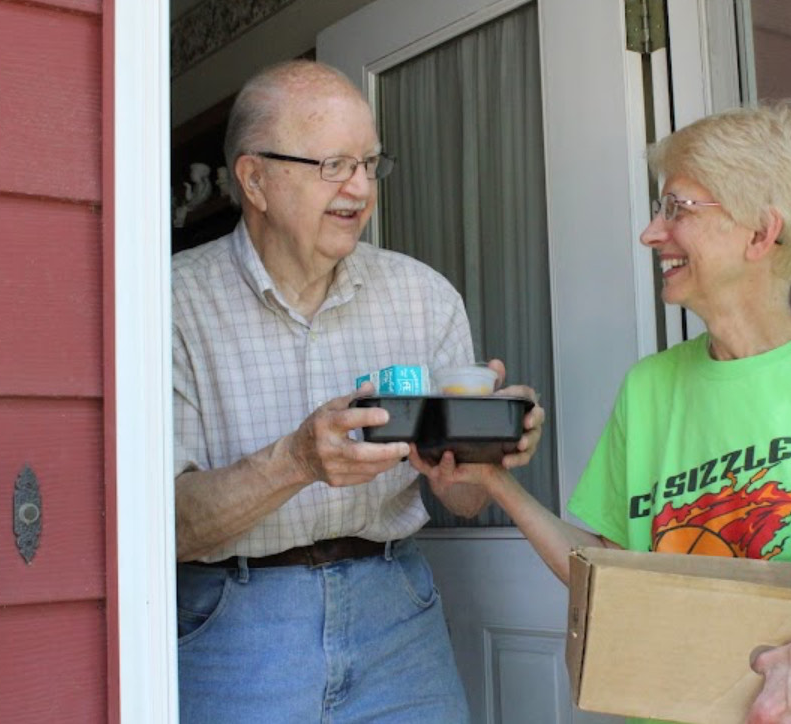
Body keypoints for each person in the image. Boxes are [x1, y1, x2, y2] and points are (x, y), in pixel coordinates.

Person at [413, 99, 791, 723]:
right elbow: (611, 575)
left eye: (677, 208)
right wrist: (495, 483)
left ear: (761, 233)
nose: (652, 233)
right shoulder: (649, 389)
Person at [172, 59, 543, 724]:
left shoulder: (421, 294)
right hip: (231, 622)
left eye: (371, 163)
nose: (360, 188)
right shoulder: (170, 303)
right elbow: (162, 524)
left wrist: (484, 447)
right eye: (334, 164)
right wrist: (294, 462)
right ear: (254, 179)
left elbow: (455, 493)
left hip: (396, 611)